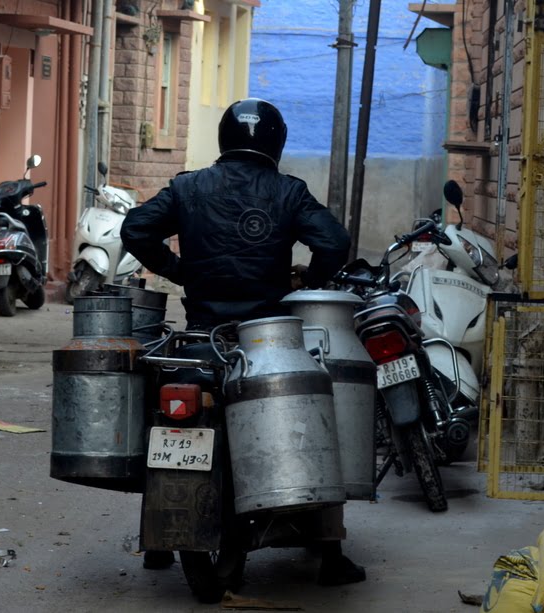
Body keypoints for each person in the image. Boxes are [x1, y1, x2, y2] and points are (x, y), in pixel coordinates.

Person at [120, 98, 365, 585]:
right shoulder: (288, 192)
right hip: (265, 340)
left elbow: (136, 228)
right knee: (315, 417)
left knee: (162, 420)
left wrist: (177, 270)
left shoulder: (188, 186)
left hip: (199, 337)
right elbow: (335, 242)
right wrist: (305, 285)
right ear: (277, 142)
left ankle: (157, 542)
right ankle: (329, 552)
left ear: (223, 140)